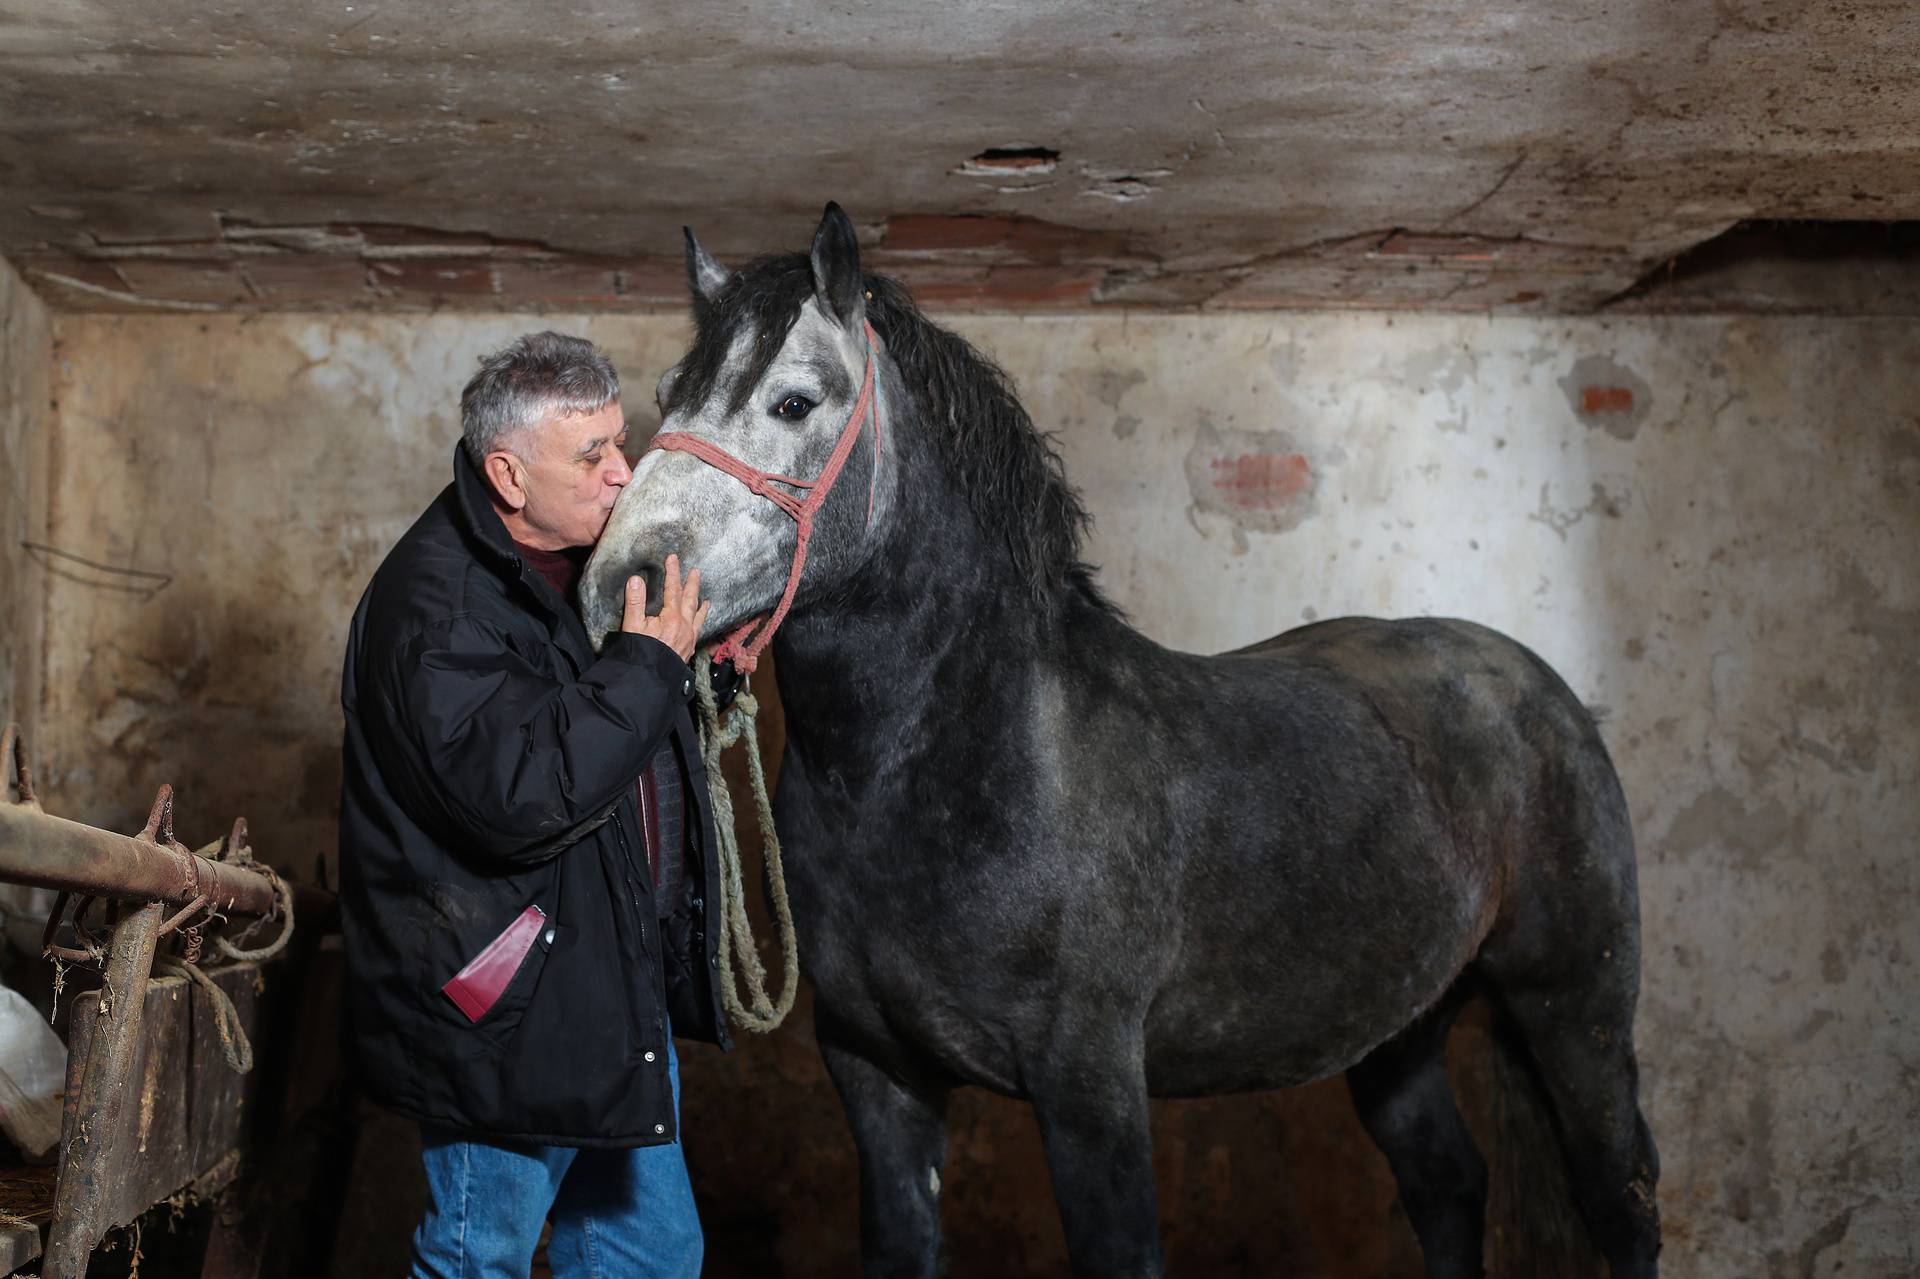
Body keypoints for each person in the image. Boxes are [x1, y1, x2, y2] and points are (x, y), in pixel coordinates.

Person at [337, 331, 729, 1279]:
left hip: (605, 979)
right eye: (591, 454)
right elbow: (517, 796)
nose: (622, 470)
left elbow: (618, 745)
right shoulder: (433, 609)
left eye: (618, 441)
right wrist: (648, 668)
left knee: (651, 1252)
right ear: (508, 475)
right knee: (482, 1256)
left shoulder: (584, 569)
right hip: (506, 1003)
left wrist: (680, 669)